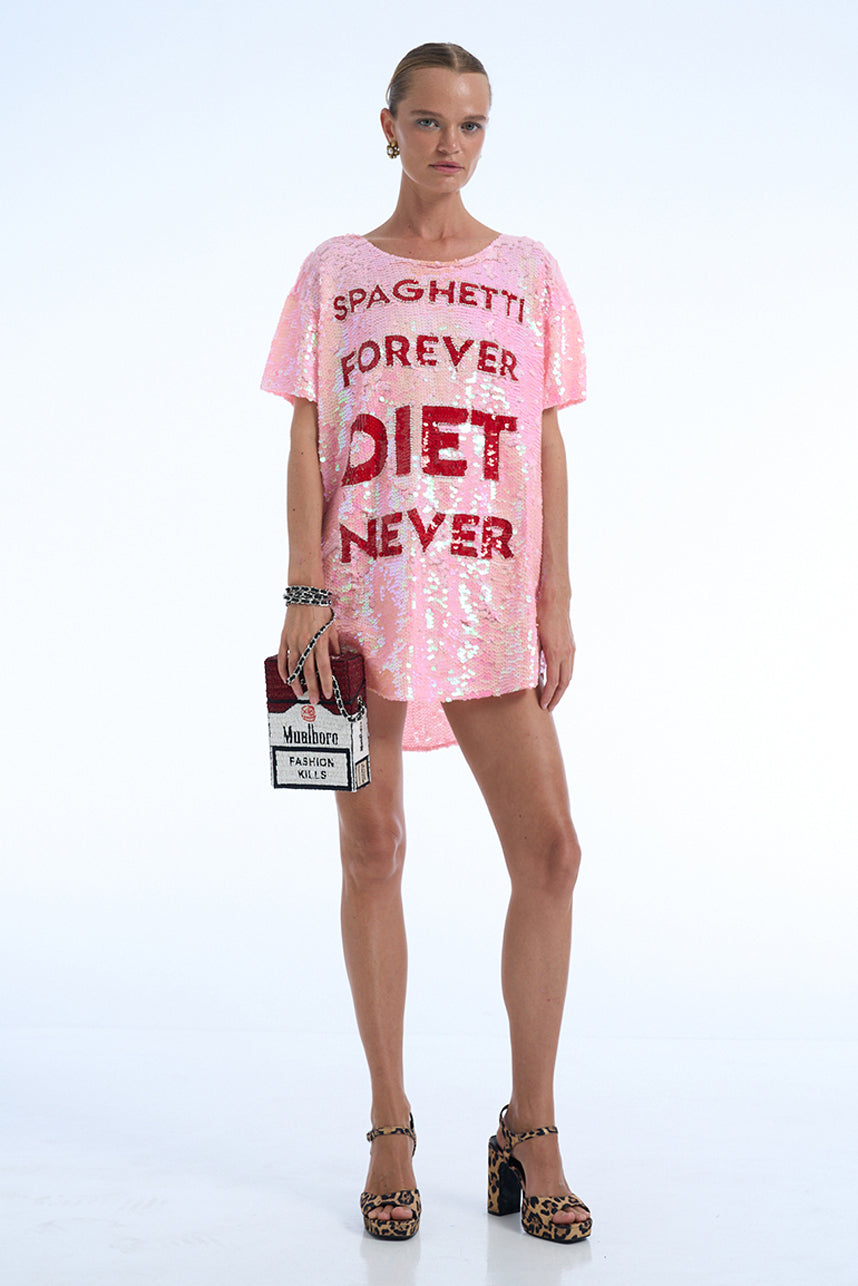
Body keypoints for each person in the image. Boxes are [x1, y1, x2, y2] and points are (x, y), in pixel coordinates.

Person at [261, 42, 592, 1244]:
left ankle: (531, 1127)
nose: (451, 144)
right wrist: (304, 590)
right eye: (430, 121)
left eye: (473, 124)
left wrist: (556, 596)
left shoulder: (528, 271)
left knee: (550, 852)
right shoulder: (337, 272)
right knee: (374, 848)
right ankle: (390, 1124)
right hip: (365, 594)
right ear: (389, 126)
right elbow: (309, 436)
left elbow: (541, 438)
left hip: (490, 594)